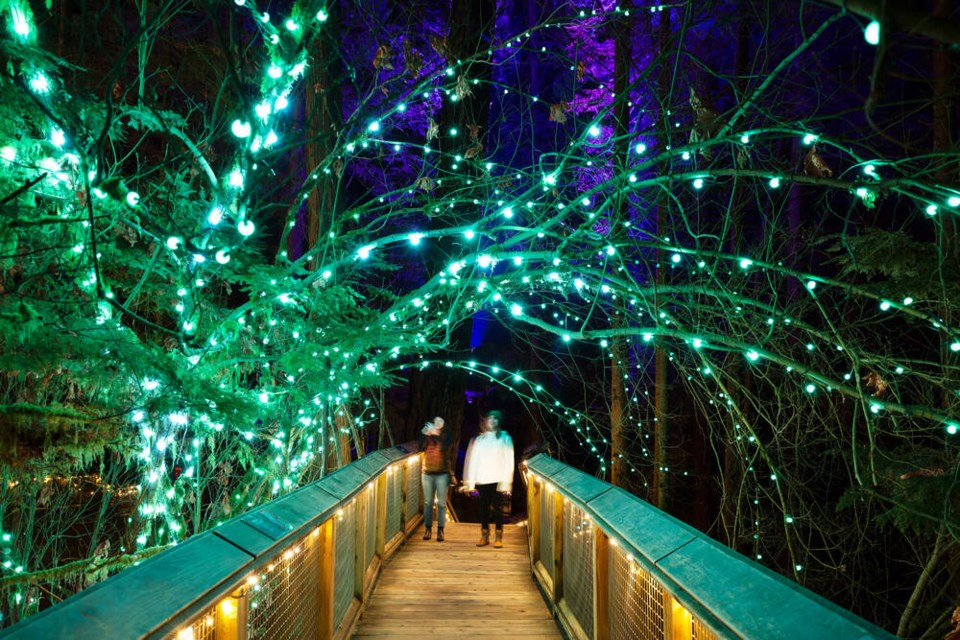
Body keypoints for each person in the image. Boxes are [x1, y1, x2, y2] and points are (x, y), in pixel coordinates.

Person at [462, 410, 515, 548]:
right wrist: (470, 482)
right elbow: (473, 461)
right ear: (486, 421)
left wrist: (506, 481)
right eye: (490, 418)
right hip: (482, 479)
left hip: (497, 478)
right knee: (483, 508)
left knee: (498, 509)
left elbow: (509, 460)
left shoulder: (504, 438)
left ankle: (498, 537)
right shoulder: (479, 440)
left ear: (498, 422)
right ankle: (484, 536)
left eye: (495, 419)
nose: (492, 421)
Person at [419, 416, 455, 542]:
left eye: (441, 421)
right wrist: (425, 434)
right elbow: (419, 446)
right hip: (427, 472)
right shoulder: (429, 435)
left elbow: (446, 446)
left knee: (441, 502)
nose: (438, 423)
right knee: (428, 502)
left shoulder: (446, 435)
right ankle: (428, 529)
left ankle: (440, 530)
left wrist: (437, 434)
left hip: (442, 473)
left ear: (444, 424)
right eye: (436, 421)